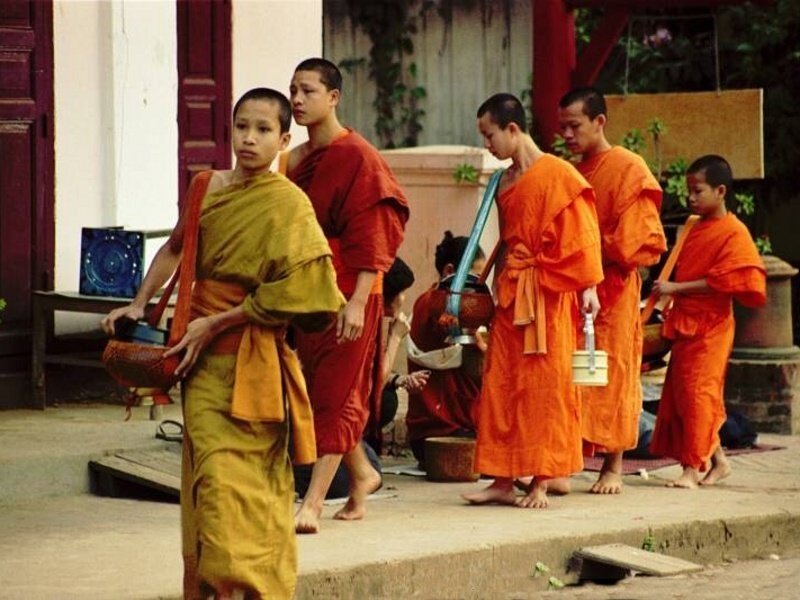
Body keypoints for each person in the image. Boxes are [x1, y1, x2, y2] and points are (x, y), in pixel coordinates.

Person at [101, 88, 344, 600]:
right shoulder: (205, 186)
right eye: (241, 127)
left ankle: (254, 588)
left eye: (262, 130)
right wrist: (139, 304)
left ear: (283, 139)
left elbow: (316, 292)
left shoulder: (288, 204)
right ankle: (218, 587)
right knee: (213, 483)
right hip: (203, 365)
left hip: (254, 358)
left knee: (256, 490)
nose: (249, 139)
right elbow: (175, 248)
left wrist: (221, 320)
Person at [461, 93, 603, 509]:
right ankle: (501, 478)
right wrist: (484, 285)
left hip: (549, 297)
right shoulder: (503, 181)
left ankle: (541, 479)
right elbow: (506, 242)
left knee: (545, 390)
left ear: (512, 129)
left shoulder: (559, 175)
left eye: (489, 136)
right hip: (512, 293)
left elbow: (582, 239)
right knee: (501, 386)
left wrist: (589, 288)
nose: (487, 146)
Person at [286, 58, 409, 533]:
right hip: (308, 289)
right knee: (322, 393)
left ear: (333, 97)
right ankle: (361, 475)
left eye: (309, 91)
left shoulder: (358, 156)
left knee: (337, 392)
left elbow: (375, 234)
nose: (298, 100)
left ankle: (313, 502)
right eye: (293, 90)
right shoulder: (294, 159)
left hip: (350, 289)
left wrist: (358, 300)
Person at [557, 86, 667, 495]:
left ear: (599, 121)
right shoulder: (572, 171)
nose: (567, 135)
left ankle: (613, 466)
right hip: (574, 291)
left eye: (574, 126)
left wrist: (592, 252)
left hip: (614, 290)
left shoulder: (628, 167)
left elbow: (639, 241)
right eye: (563, 128)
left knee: (615, 373)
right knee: (571, 375)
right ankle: (567, 460)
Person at [649, 154, 766, 489]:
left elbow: (726, 280)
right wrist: (669, 295)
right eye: (689, 191)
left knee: (699, 394)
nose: (691, 198)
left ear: (721, 191)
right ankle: (719, 462)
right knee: (686, 395)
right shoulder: (693, 227)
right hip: (685, 321)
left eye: (698, 191)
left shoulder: (734, 232)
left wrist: (676, 287)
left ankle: (691, 468)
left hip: (712, 325)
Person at [293, 257, 427, 500]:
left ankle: (352, 478)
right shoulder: (348, 315)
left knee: (380, 403)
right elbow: (368, 384)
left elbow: (371, 380)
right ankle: (330, 491)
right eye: (402, 293)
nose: (404, 299)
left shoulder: (363, 314)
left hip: (333, 439)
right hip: (308, 438)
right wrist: (396, 338)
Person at [405, 231, 487, 468]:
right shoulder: (438, 305)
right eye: (474, 278)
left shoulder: (430, 301)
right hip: (444, 432)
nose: (477, 287)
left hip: (434, 435)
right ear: (450, 272)